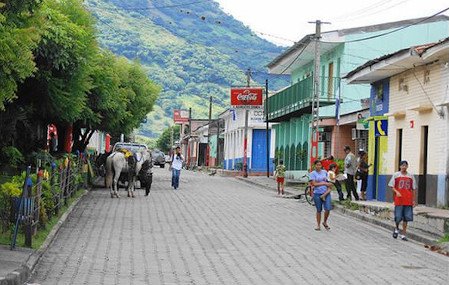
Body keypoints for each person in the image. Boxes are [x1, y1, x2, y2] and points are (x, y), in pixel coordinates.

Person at [388, 160, 417, 241]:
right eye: (402, 165)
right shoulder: (396, 175)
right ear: (400, 166)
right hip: (399, 200)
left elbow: (414, 188)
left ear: (407, 166)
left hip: (408, 199)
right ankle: (397, 228)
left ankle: (403, 234)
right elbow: (391, 186)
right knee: (398, 217)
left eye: (405, 165)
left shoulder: (410, 176)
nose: (404, 167)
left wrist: (413, 200)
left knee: (406, 218)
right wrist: (397, 192)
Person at [310, 160, 332, 231]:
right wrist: (324, 183)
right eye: (317, 165)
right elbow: (314, 184)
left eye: (320, 165)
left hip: (326, 192)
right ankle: (318, 225)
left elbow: (329, 181)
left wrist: (328, 183)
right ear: (315, 165)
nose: (318, 166)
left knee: (328, 208)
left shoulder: (325, 172)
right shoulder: (312, 173)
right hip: (317, 193)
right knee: (319, 210)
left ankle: (325, 222)